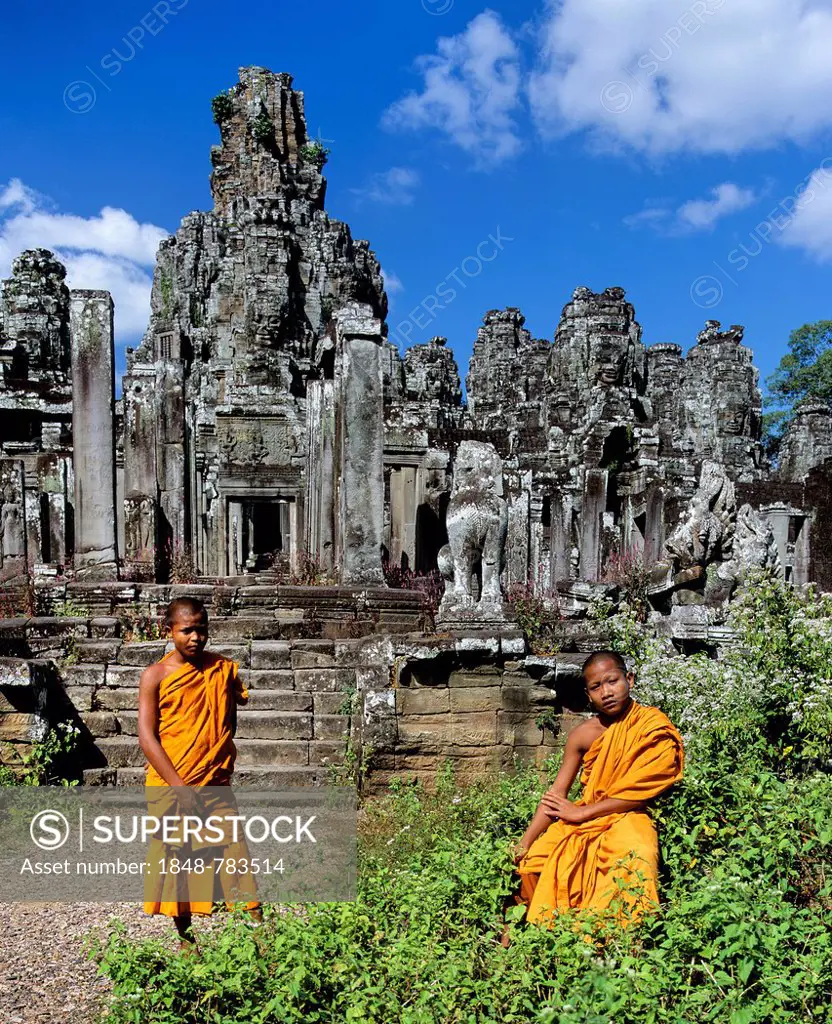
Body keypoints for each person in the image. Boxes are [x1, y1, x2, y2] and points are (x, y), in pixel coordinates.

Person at [509, 650, 684, 931]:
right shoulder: (583, 735)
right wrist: (524, 842)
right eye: (596, 687)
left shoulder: (651, 726)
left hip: (630, 814)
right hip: (583, 816)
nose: (606, 692)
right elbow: (557, 794)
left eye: (612, 681)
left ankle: (625, 946)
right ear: (588, 695)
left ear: (629, 679)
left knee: (637, 856)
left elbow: (646, 788)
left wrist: (583, 813)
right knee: (532, 862)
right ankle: (544, 938)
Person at [137, 596, 262, 950]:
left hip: (213, 783)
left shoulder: (223, 670)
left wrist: (213, 758)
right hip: (171, 783)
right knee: (179, 859)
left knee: (236, 855)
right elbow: (147, 737)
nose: (196, 638)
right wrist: (179, 786)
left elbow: (227, 722)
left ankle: (262, 935)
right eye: (187, 630)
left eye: (202, 630)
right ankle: (186, 938)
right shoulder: (155, 676)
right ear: (169, 631)